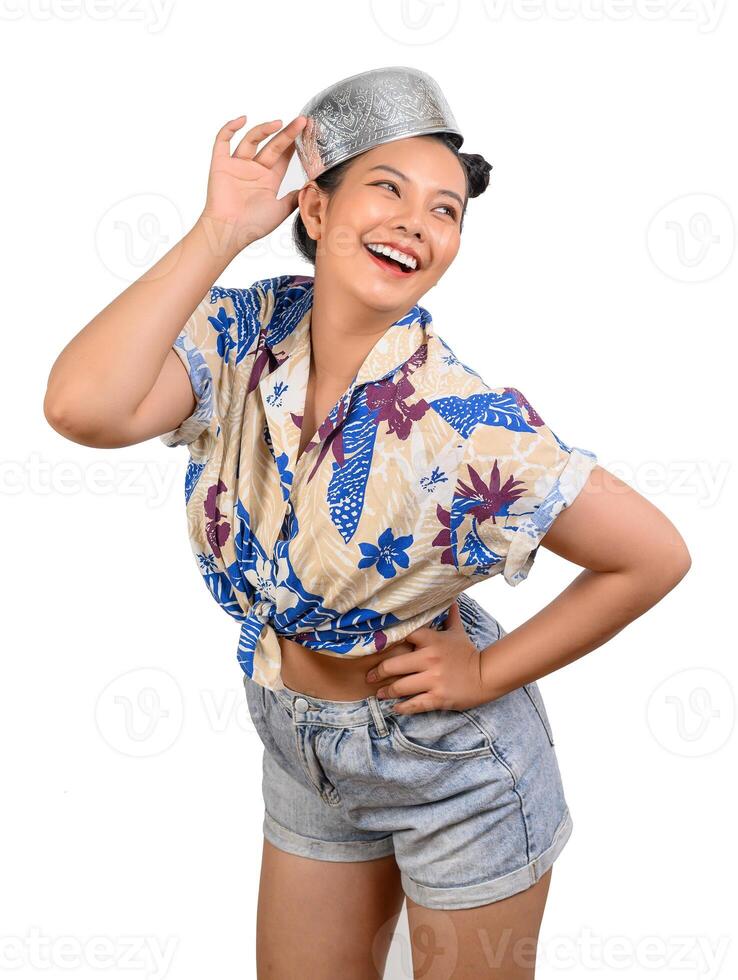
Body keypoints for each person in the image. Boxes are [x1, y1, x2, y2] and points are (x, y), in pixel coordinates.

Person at [44, 110, 691, 979]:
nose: (415, 223)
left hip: (453, 765)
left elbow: (653, 554)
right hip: (300, 744)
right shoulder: (247, 335)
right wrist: (219, 233)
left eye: (445, 210)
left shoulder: (463, 420)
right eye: (387, 188)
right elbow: (83, 407)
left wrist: (485, 673)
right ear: (314, 207)